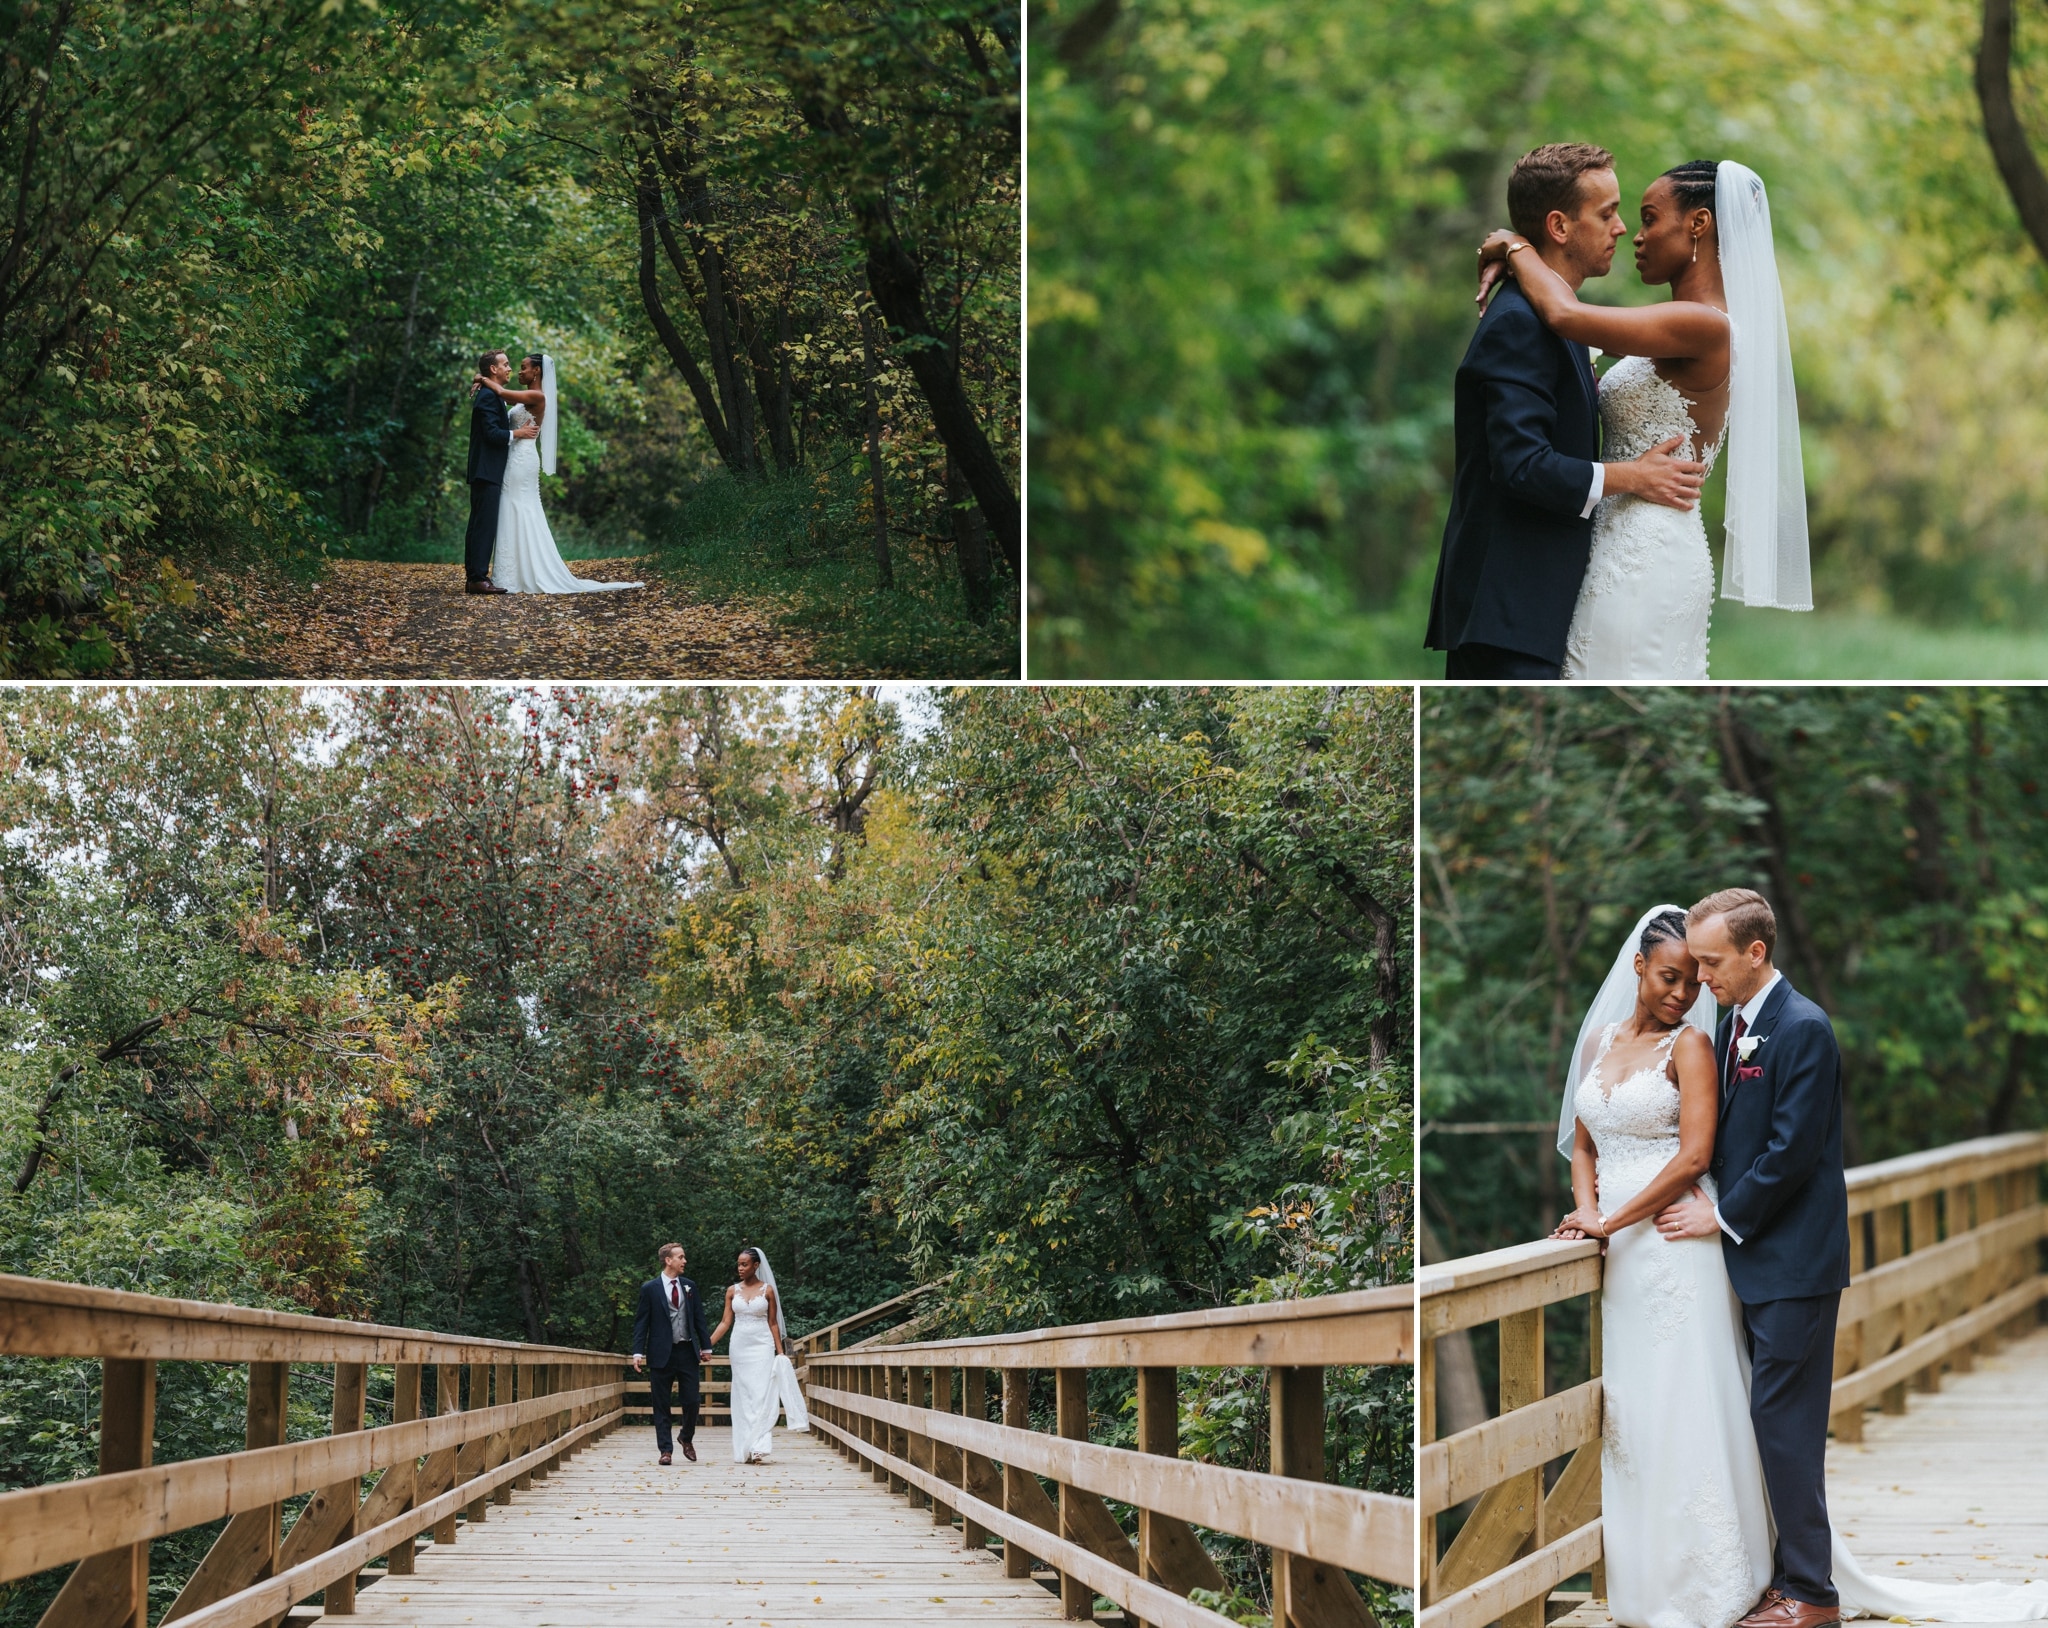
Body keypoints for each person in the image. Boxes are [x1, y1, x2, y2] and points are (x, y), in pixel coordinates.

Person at [1555, 894, 2048, 1627]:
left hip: (1791, 1260)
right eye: (1689, 969)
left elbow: (1791, 1152)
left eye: (1711, 966)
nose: (1698, 984)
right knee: (1753, 1418)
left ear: (1755, 954)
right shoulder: (1730, 1027)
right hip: (1734, 1259)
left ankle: (1811, 1595)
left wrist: (1715, 1213)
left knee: (1780, 1422)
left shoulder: (1803, 1027)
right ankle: (1777, 1575)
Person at [1474, 160, 1812, 677]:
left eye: (1650, 219)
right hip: (1614, 534)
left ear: (1697, 224)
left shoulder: (1703, 324)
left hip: (1645, 550)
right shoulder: (1679, 322)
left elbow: (1565, 317)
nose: (1634, 234)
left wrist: (1515, 247)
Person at [1425, 143, 1708, 679]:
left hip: (1539, 612)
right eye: (1607, 213)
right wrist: (1635, 476)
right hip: (1509, 612)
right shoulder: (1520, 322)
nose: (1621, 229)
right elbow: (1521, 465)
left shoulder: (1557, 317)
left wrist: (1510, 245)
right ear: (1559, 226)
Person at [468, 352, 641, 595]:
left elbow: (502, 394)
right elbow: (499, 404)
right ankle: (503, 572)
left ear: (537, 371)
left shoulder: (536, 395)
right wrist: (484, 379)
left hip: (522, 458)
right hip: (510, 458)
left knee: (517, 506)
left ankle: (517, 571)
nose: (517, 371)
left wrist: (483, 379)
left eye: (522, 367)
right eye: (509, 365)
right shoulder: (515, 397)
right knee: (509, 508)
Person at [706, 1246, 807, 1463]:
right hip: (740, 1346)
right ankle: (745, 1444)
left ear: (756, 1265)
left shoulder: (768, 1291)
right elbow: (725, 1322)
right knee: (744, 1396)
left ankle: (760, 1445)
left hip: (762, 1346)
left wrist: (780, 1354)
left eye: (744, 1264)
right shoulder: (732, 1291)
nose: (740, 1268)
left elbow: (772, 1323)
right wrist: (707, 1346)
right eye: (739, 1264)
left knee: (761, 1394)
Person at [461, 349, 537, 594]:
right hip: (486, 469)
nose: (510, 368)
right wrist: (519, 434)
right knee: (482, 525)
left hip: (488, 468)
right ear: (493, 369)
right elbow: (491, 434)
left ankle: (475, 577)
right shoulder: (487, 397)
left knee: (479, 524)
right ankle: (477, 578)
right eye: (505, 364)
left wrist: (480, 379)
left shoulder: (492, 394)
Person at [630, 1242, 710, 1464]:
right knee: (661, 1403)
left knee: (692, 1400)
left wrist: (706, 1346)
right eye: (681, 1257)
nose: (684, 1261)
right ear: (668, 1260)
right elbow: (641, 1323)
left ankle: (686, 1437)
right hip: (660, 1354)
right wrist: (637, 1352)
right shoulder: (650, 1288)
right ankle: (665, 1450)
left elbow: (698, 1319)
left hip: (687, 1351)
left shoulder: (689, 1286)